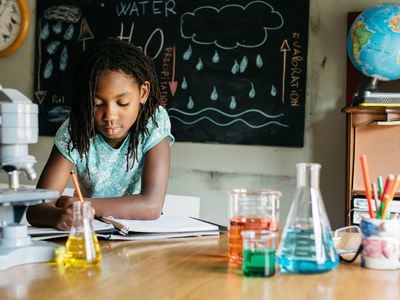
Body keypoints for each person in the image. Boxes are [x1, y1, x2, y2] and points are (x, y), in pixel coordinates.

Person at [27, 39, 174, 230]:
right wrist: (60, 217)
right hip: (93, 232)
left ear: (143, 93)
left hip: (140, 233)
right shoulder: (74, 131)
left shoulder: (154, 122)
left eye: (122, 103)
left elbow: (152, 206)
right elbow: (37, 209)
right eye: (97, 104)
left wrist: (79, 205)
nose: (110, 116)